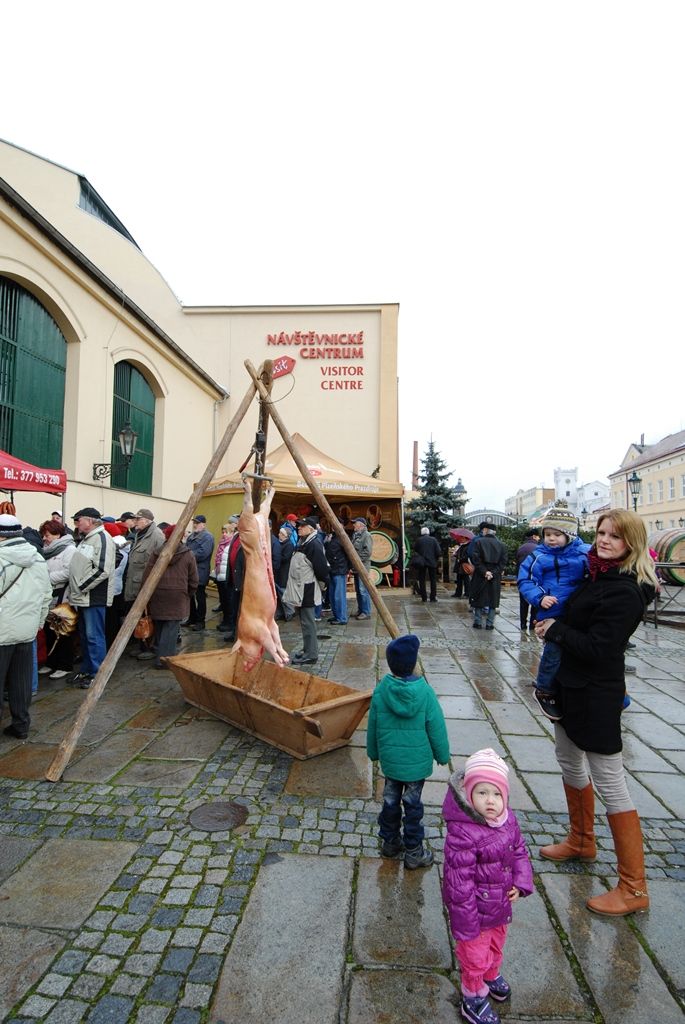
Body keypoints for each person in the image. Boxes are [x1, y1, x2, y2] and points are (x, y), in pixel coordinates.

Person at [535, 510, 658, 917]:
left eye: (615, 536)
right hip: (570, 689)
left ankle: (634, 888)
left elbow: (599, 647)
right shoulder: (596, 574)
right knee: (568, 762)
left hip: (597, 695)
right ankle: (582, 840)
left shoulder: (624, 590)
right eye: (601, 532)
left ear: (631, 544)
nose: (604, 540)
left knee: (610, 781)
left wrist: (555, 630)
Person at [442, 748, 533, 1024]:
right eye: (482, 793)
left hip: (500, 904)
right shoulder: (463, 832)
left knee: (496, 945)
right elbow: (458, 882)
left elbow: (519, 851)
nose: (490, 801)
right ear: (469, 795)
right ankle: (472, 996)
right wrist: (465, 922)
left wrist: (521, 883)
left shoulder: (508, 821)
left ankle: (491, 975)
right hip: (475, 912)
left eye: (496, 794)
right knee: (474, 956)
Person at [367, 633, 449, 869]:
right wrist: (442, 755)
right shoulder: (425, 692)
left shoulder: (382, 691)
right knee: (413, 806)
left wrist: (373, 752)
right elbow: (437, 727)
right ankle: (414, 851)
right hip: (415, 765)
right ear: (413, 663)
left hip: (391, 763)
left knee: (390, 801)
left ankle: (390, 842)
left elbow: (372, 725)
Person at [517, 509, 589, 720]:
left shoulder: (585, 553)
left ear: (570, 535)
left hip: (580, 610)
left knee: (590, 649)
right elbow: (526, 580)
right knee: (554, 651)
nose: (551, 539)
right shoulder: (539, 556)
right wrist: (540, 598)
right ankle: (544, 688)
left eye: (557, 534)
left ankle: (614, 692)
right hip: (554, 611)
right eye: (548, 534)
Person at [0, 514, 52, 739]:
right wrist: (37, 624)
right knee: (21, 682)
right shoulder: (38, 558)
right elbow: (46, 595)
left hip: (2, 633)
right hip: (26, 631)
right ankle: (21, 725)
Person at [66, 507, 116, 689]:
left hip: (93, 597)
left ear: (90, 521)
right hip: (84, 597)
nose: (76, 524)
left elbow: (103, 569)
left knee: (94, 636)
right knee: (86, 636)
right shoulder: (89, 539)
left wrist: (81, 587)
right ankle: (87, 669)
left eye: (78, 520)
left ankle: (97, 674)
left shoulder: (102, 538)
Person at [142, 524, 198, 668]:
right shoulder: (188, 554)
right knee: (171, 629)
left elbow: (147, 576)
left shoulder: (157, 552)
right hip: (177, 596)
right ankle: (164, 661)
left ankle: (159, 653)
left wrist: (147, 594)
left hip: (158, 595)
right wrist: (188, 594)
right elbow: (194, 579)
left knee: (160, 626)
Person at [282, 516, 329, 665]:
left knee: (308, 622)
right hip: (301, 588)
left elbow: (321, 569)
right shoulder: (304, 542)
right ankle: (307, 649)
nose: (299, 528)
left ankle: (311, 654)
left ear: (311, 528)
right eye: (299, 526)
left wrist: (323, 585)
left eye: (302, 526)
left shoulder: (313, 544)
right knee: (304, 622)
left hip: (307, 589)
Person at [124, 509, 165, 658]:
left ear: (146, 521)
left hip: (147, 585)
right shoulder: (140, 535)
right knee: (139, 617)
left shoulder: (156, 536)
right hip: (136, 584)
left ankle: (150, 647)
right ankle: (142, 645)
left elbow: (161, 562)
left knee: (148, 617)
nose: (135, 521)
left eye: (138, 519)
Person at [39, 520, 76, 679]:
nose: (45, 538)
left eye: (47, 535)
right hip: (49, 597)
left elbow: (69, 572)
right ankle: (51, 662)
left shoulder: (69, 550)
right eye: (43, 535)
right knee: (49, 631)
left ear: (57, 534)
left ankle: (65, 665)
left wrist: (47, 577)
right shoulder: (46, 550)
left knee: (64, 632)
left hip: (64, 596)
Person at [469, 523, 507, 630]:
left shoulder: (479, 542)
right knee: (493, 599)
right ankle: (490, 623)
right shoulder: (502, 545)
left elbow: (476, 559)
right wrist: (493, 573)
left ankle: (478, 622)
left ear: (486, 530)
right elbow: (503, 563)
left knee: (478, 597)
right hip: (495, 576)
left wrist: (485, 572)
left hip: (480, 574)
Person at [185, 514, 215, 631]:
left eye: (197, 523)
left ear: (204, 524)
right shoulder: (191, 536)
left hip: (200, 571)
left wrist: (188, 555)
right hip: (190, 570)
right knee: (190, 596)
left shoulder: (208, 537)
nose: (195, 525)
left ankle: (200, 621)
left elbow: (203, 553)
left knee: (200, 596)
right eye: (194, 523)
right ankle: (192, 618)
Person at [214, 518, 238, 632]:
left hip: (227, 577)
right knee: (223, 601)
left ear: (232, 533)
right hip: (220, 576)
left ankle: (229, 622)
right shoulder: (221, 543)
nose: (224, 534)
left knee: (229, 602)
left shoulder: (231, 544)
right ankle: (225, 620)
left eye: (226, 532)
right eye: (223, 532)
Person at [324, 523, 350, 624]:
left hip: (339, 570)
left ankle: (342, 618)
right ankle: (336, 616)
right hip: (333, 569)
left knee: (339, 596)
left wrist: (349, 567)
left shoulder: (343, 538)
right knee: (332, 595)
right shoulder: (333, 537)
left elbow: (349, 554)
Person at [515, 528, 540, 629]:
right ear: (534, 536)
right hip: (535, 579)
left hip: (522, 579)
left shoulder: (521, 547)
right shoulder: (538, 548)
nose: (539, 538)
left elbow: (518, 563)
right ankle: (532, 625)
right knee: (535, 603)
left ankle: (522, 624)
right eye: (538, 536)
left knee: (523, 603)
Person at [412, 526, 442, 603]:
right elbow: (438, 551)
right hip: (432, 562)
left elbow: (415, 549)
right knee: (433, 580)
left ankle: (424, 597)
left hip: (422, 562)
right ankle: (433, 597)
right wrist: (436, 558)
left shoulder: (419, 540)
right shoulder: (434, 540)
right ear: (428, 532)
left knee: (422, 579)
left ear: (422, 533)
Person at [351, 517, 373, 619]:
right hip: (356, 567)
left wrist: (357, 560)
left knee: (363, 590)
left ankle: (366, 612)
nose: (353, 525)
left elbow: (367, 552)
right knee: (359, 590)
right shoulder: (355, 535)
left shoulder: (367, 535)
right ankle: (361, 610)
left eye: (355, 523)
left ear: (361, 525)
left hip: (363, 567)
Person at [275, 526, 294, 621]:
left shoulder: (289, 545)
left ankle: (290, 612)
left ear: (285, 535)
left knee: (283, 593)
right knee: (278, 594)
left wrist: (276, 557)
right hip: (279, 572)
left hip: (284, 572)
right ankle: (281, 612)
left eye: (281, 534)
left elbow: (285, 558)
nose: (279, 535)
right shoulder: (280, 543)